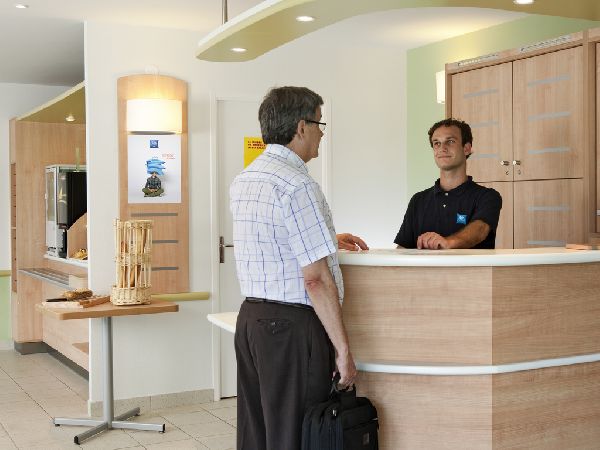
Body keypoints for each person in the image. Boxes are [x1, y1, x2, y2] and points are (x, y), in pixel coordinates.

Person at [230, 86, 365, 450]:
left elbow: (271, 240)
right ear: (301, 127)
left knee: (258, 432)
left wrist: (326, 239)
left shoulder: (245, 179)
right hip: (291, 329)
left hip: (251, 321)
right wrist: (343, 351)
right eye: (320, 123)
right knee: (293, 434)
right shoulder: (297, 184)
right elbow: (315, 280)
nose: (322, 133)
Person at [394, 118, 502, 249]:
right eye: (437, 143)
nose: (442, 148)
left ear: (466, 148)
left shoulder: (487, 196)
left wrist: (447, 242)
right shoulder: (418, 200)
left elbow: (480, 230)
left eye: (450, 141)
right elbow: (403, 249)